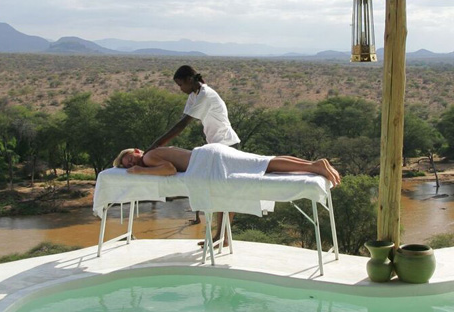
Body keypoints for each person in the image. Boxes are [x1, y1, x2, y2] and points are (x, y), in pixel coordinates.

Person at [148, 65, 240, 230]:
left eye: (181, 84)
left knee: (224, 192)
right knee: (218, 192)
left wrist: (156, 145)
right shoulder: (194, 95)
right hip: (216, 145)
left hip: (227, 144)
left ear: (190, 80)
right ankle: (221, 235)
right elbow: (182, 119)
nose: (180, 89)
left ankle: (222, 235)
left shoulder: (205, 94)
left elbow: (182, 125)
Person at [112, 145, 341, 187]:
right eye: (128, 165)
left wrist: (140, 170)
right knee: (262, 161)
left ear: (137, 151)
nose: (131, 163)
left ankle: (314, 166)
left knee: (262, 164)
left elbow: (169, 171)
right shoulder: (154, 153)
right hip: (209, 156)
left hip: (209, 160)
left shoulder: (149, 158)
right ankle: (312, 165)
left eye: (130, 158)